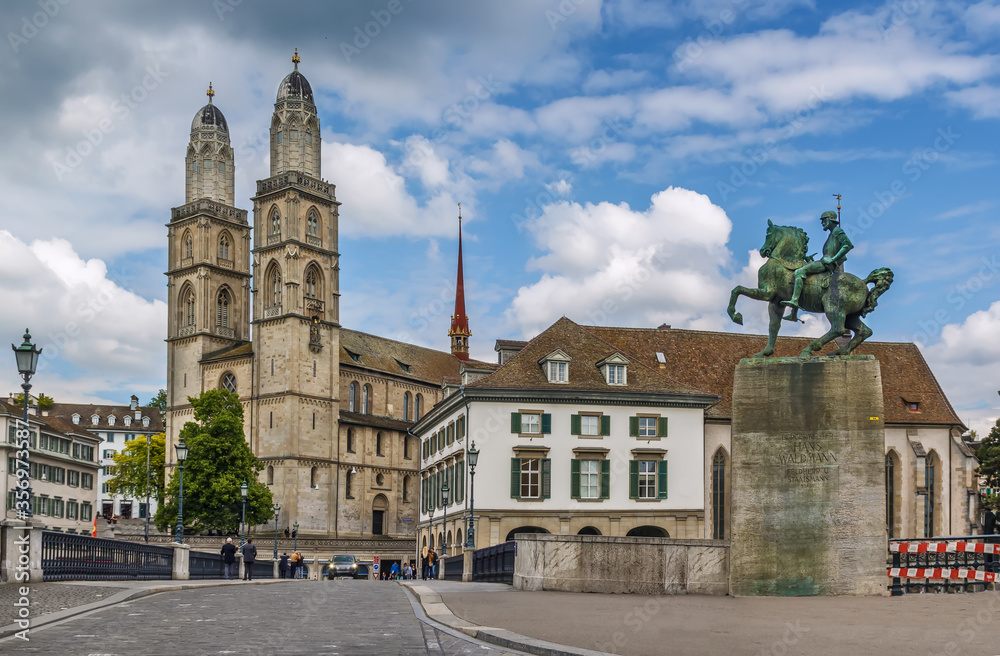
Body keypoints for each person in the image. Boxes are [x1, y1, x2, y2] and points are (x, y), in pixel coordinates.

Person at [781, 210, 853, 322]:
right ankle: (793, 314)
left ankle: (794, 301)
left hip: (825, 263)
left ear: (830, 220)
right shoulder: (832, 234)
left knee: (799, 272)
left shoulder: (837, 231)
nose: (822, 223)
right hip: (822, 261)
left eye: (824, 220)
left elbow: (848, 245)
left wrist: (833, 259)